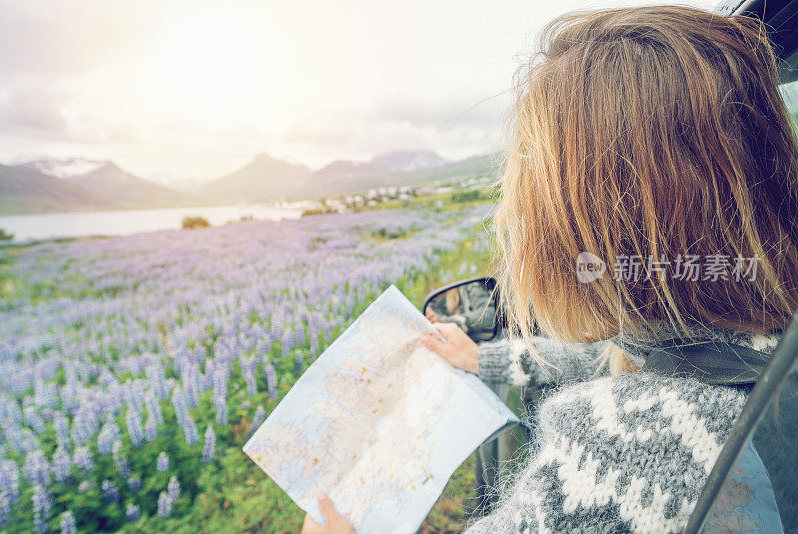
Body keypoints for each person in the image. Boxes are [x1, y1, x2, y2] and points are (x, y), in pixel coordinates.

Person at [302, 5, 798, 533]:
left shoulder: (626, 452)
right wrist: (487, 360)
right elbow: (614, 360)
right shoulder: (759, 346)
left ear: (587, 235)